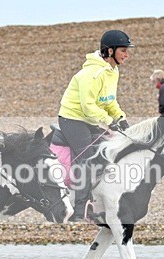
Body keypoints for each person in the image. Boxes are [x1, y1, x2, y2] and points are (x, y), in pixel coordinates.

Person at [57, 30, 134, 222]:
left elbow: (109, 101)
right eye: (123, 51)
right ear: (110, 51)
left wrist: (120, 117)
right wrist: (109, 122)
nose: (127, 55)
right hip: (72, 119)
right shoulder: (92, 74)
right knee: (87, 158)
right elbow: (88, 106)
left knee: (108, 150)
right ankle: (79, 210)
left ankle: (102, 200)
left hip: (90, 118)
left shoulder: (112, 71)